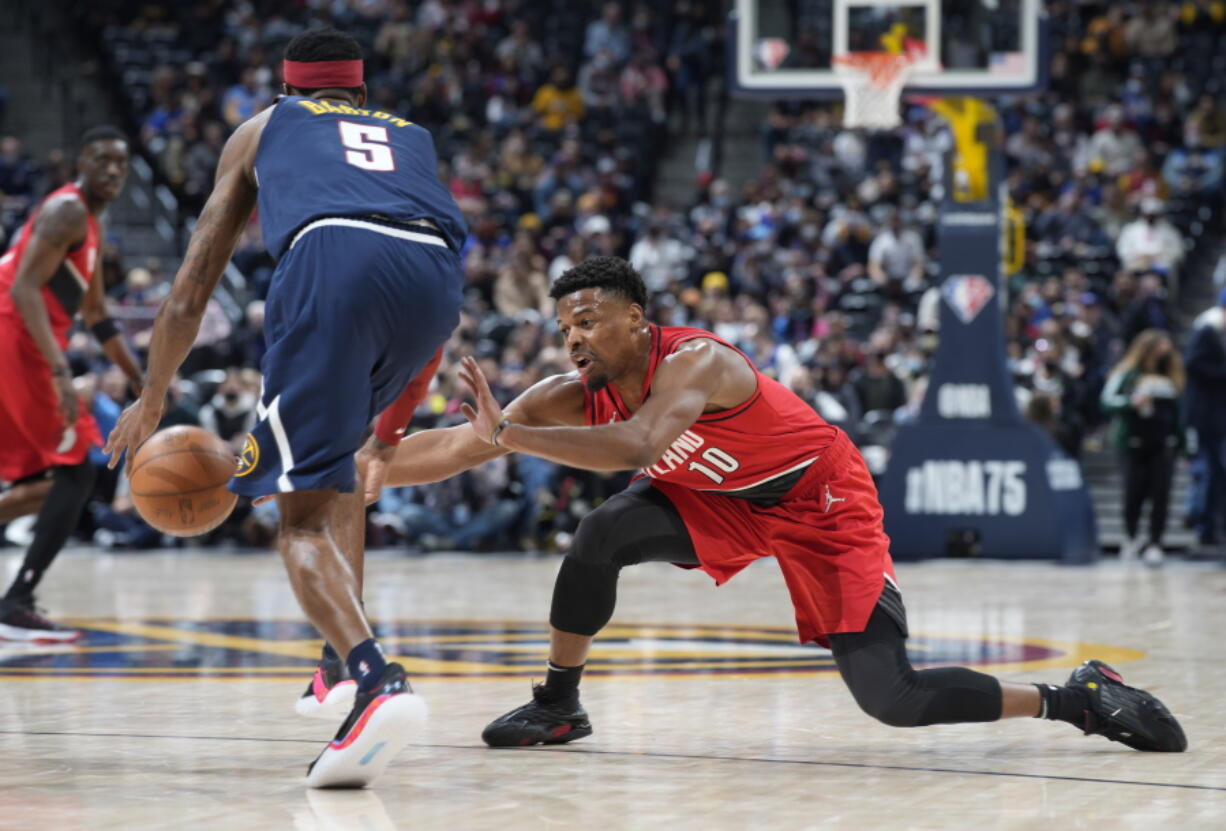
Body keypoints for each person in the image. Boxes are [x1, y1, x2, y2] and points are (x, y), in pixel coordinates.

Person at [377, 256, 1186, 754]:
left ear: (637, 319)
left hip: (817, 496)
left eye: (588, 321)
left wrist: (510, 436)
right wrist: (357, 469)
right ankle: (559, 703)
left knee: (891, 698)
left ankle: (1074, 698)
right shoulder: (568, 391)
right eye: (563, 328)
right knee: (601, 529)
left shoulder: (695, 362)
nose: (574, 339)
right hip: (716, 498)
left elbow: (635, 447)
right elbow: (460, 444)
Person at [103, 28, 466, 789]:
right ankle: (338, 662)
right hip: (436, 282)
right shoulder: (414, 136)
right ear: (360, 95)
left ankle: (375, 681)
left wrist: (152, 393)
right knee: (333, 471)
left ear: (288, 91)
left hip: (335, 262)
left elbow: (195, 282)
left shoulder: (264, 128)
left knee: (296, 516)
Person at [0, 126, 141, 641]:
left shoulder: (92, 227)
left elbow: (98, 315)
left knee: (51, 481)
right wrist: (61, 372)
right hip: (17, 336)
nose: (112, 171)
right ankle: (16, 603)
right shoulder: (69, 210)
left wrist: (144, 380)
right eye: (102, 160)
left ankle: (17, 601)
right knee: (79, 472)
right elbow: (24, 289)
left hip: (21, 338)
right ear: (82, 161)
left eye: (121, 164)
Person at [1101, 330, 1185, 565]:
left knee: (1161, 496)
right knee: (1133, 493)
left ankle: (1155, 542)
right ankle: (1130, 538)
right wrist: (1130, 403)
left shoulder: (1170, 375)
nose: (1165, 350)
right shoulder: (1127, 373)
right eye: (1161, 345)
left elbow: (1179, 414)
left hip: (1163, 443)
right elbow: (1106, 401)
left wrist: (1184, 443)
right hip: (1133, 442)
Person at [1184, 289, 1226, 547]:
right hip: (1206, 418)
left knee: (1215, 472)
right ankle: (1202, 522)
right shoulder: (1207, 332)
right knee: (1208, 470)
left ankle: (1209, 522)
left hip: (1219, 418)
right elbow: (1193, 364)